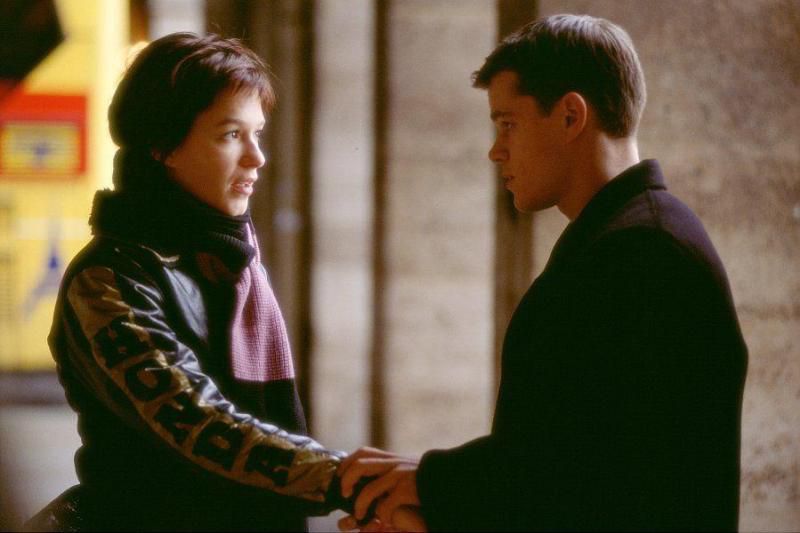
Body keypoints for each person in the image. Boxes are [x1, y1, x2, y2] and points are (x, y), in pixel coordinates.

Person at [338, 14, 748, 532]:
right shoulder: (629, 238)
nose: (496, 150)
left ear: (571, 116)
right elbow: (584, 458)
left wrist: (432, 484)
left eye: (508, 124)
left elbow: (592, 477)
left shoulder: (644, 252)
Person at [25, 32, 352, 531]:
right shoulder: (108, 277)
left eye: (257, 133)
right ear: (163, 146)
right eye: (230, 135)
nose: (257, 158)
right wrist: (350, 480)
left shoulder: (231, 262)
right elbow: (194, 420)